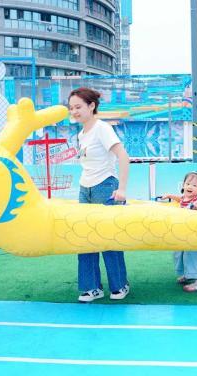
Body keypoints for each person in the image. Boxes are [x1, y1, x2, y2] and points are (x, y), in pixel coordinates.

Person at [68, 87, 131, 302]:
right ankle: (91, 287)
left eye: (78, 107)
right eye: (71, 108)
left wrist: (122, 189)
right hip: (84, 189)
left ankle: (119, 285)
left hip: (105, 186)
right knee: (85, 239)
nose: (74, 112)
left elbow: (123, 156)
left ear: (91, 106)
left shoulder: (102, 128)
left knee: (108, 238)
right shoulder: (81, 134)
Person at [161, 172, 197, 292]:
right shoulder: (184, 198)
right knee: (179, 253)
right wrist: (169, 195)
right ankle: (187, 274)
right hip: (183, 233)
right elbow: (180, 199)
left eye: (194, 185)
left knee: (192, 254)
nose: (190, 187)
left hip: (193, 234)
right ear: (183, 185)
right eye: (188, 184)